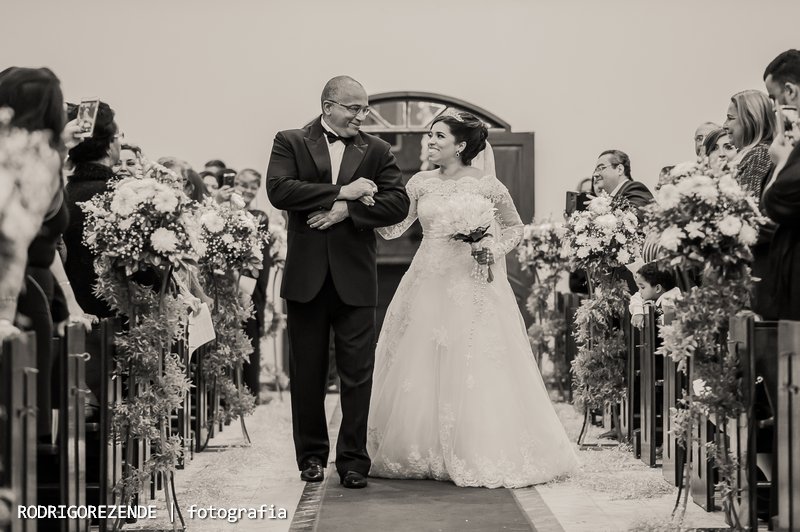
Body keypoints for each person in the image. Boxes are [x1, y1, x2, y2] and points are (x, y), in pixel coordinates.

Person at [367, 111, 577, 488]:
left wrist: (491, 248)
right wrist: (370, 208)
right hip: (427, 278)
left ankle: (476, 445)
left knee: (474, 357)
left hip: (472, 282)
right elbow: (395, 228)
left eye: (438, 137)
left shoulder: (488, 185)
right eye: (430, 136)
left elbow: (514, 227)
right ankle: (422, 447)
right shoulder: (419, 182)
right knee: (420, 358)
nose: (429, 142)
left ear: (460, 145)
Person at [266, 75, 410, 489]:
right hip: (306, 278)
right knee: (307, 373)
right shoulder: (290, 141)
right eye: (354, 108)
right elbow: (280, 190)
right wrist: (342, 192)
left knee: (358, 373)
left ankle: (352, 461)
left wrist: (349, 213)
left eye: (364, 109)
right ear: (328, 105)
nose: (361, 116)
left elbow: (397, 203)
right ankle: (310, 458)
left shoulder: (377, 149)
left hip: (356, 278)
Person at [233, 168, 271, 401]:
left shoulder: (259, 217)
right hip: (228, 278)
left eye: (252, 187)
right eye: (243, 184)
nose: (247, 190)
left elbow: (255, 260)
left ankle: (250, 391)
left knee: (250, 329)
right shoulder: (223, 212)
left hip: (251, 281)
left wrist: (245, 289)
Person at [724, 90, 775, 198]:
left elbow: (749, 205)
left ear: (751, 121)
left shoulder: (760, 155)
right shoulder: (753, 154)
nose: (724, 125)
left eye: (730, 118)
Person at [628, 262, 680, 328]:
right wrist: (638, 311)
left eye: (642, 287)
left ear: (658, 288)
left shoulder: (669, 302)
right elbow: (636, 296)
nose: (640, 291)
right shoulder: (663, 294)